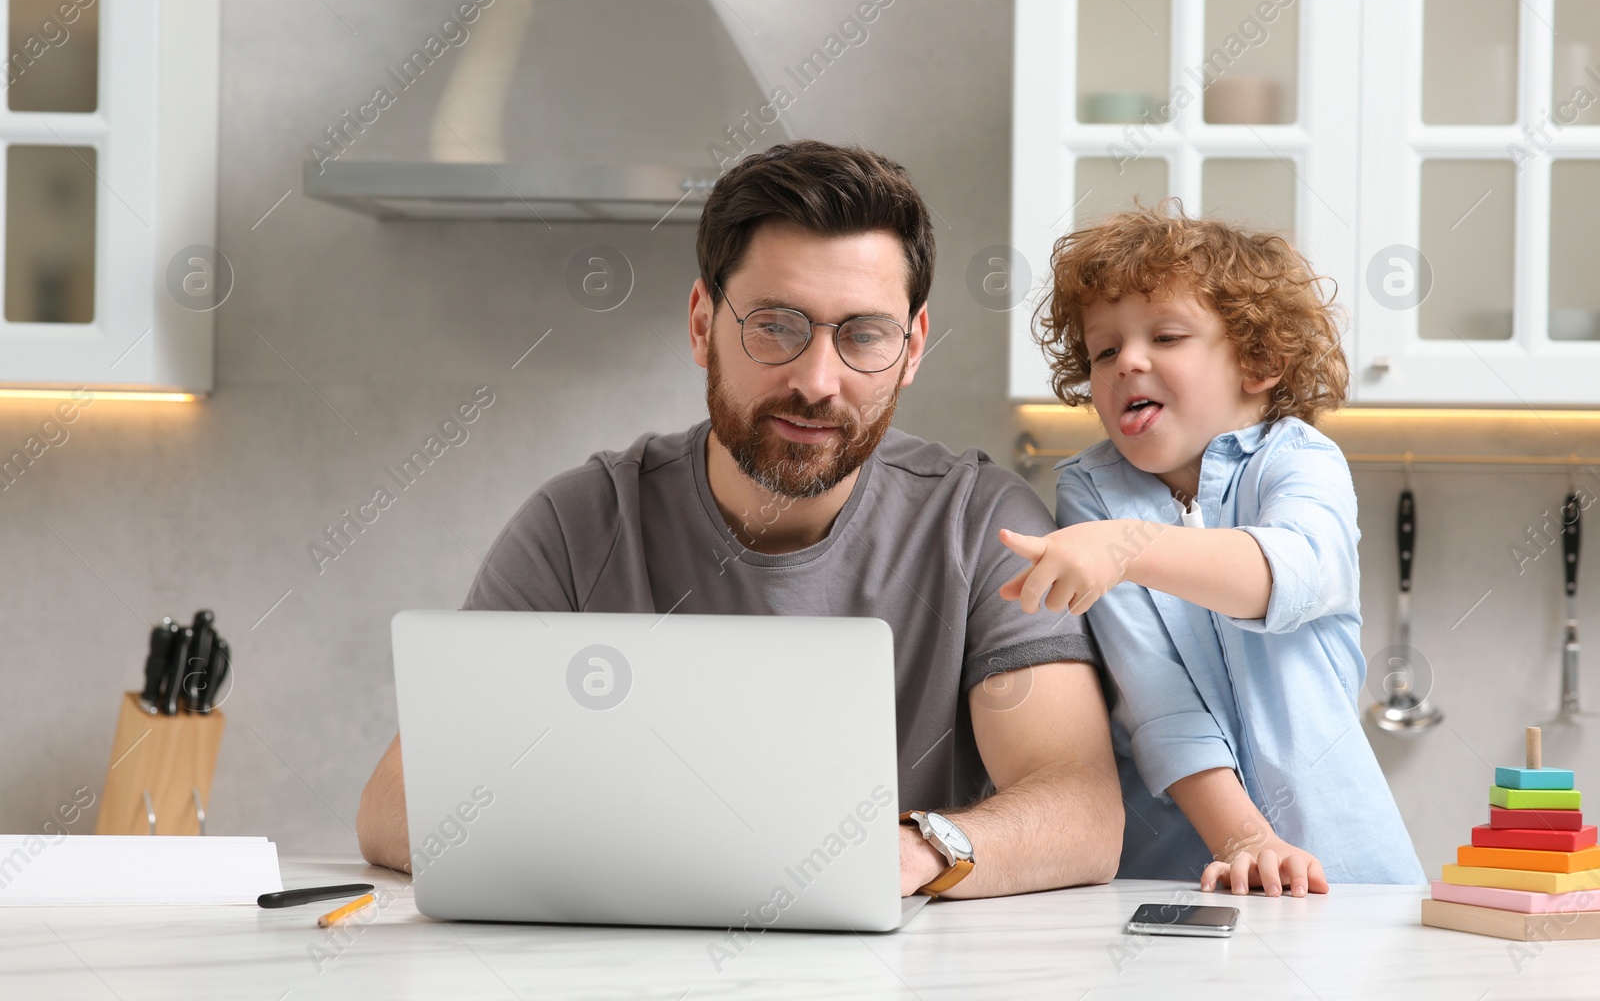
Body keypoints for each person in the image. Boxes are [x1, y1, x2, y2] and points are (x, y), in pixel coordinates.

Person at [357, 139, 1124, 898]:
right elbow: (396, 805)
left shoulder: (982, 525)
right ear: (702, 323)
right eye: (776, 325)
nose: (816, 381)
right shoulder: (579, 522)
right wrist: (678, 867)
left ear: (912, 347)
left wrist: (914, 854)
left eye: (863, 334)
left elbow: (1082, 811)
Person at [998, 202, 1425, 896]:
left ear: (1257, 361)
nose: (1128, 360)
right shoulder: (1091, 493)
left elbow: (1288, 571)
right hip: (1182, 873)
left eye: (1166, 336)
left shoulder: (1302, 460)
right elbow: (1157, 699)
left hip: (1341, 864)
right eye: (1104, 350)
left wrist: (1125, 549)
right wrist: (1246, 839)